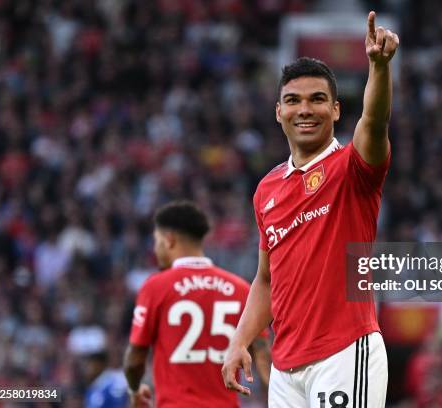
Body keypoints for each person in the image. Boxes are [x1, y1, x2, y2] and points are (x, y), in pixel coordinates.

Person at [222, 10, 399, 408]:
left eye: (318, 99)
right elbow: (266, 280)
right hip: (286, 370)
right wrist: (239, 340)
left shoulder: (353, 168)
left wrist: (379, 67)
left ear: (336, 110)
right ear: (278, 112)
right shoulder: (267, 189)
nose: (305, 109)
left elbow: (375, 119)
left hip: (343, 352)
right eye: (293, 101)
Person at [123, 200, 271, 408]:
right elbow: (263, 354)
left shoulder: (156, 287)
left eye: (156, 241)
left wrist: (135, 390)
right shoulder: (241, 289)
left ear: (169, 240)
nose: (155, 250)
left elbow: (136, 358)